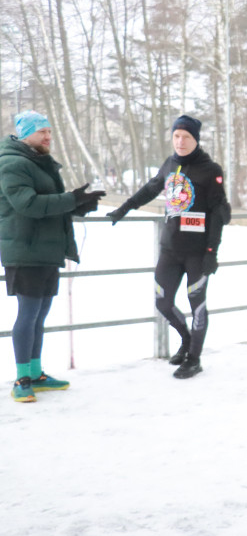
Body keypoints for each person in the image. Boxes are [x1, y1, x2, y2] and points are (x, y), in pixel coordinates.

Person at [107, 115, 231, 379]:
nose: (180, 141)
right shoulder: (170, 164)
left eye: (186, 136)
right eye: (176, 136)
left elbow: (219, 214)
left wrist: (212, 252)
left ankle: (194, 359)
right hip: (170, 248)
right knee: (162, 302)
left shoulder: (211, 170)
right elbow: (151, 188)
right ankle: (186, 340)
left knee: (197, 304)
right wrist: (124, 208)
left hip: (198, 252)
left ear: (196, 139)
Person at [1, 111, 104, 403]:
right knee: (28, 313)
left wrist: (79, 205)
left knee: (40, 313)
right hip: (25, 250)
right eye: (41, 132)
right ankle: (22, 379)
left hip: (45, 249)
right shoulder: (11, 164)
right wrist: (71, 199)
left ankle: (35, 373)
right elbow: (28, 204)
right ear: (25, 134)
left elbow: (49, 204)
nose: (48, 136)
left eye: (49, 131)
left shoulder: (38, 162)